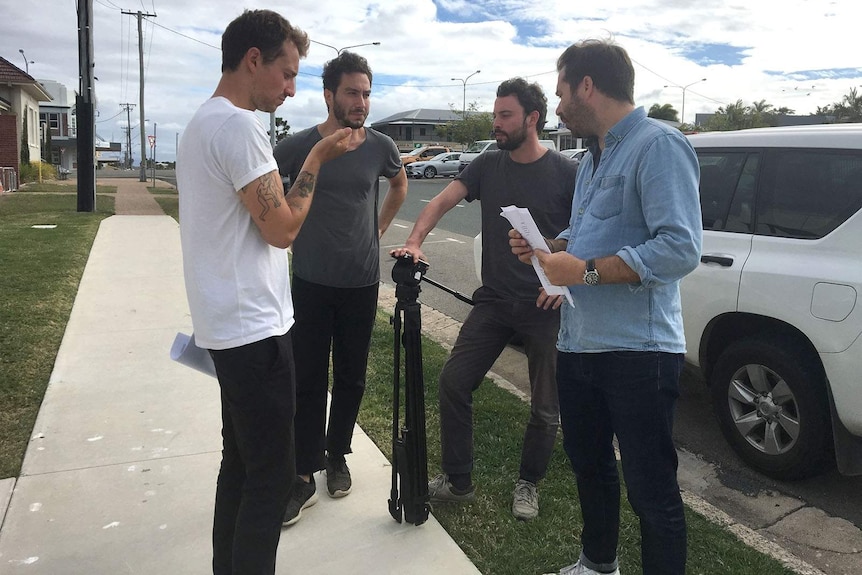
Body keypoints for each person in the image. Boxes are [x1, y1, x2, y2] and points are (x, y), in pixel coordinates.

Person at [511, 39, 702, 575]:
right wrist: (549, 249)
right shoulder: (591, 157)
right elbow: (586, 234)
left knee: (651, 490)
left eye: (561, 86)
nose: (556, 96)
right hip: (579, 343)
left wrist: (587, 269)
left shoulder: (658, 144)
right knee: (590, 468)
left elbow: (680, 247)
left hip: (638, 352)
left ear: (587, 86)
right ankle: (597, 565)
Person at [176, 10, 350, 575]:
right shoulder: (239, 127)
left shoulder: (202, 122)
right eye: (287, 73)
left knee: (241, 466)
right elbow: (282, 230)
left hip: (225, 326)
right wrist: (317, 158)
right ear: (254, 59)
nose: (292, 89)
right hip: (255, 331)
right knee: (271, 478)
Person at [391, 78, 577, 521]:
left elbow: (587, 232)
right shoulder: (488, 164)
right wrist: (415, 240)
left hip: (544, 306)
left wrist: (561, 283)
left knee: (546, 406)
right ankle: (458, 481)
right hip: (494, 301)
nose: (496, 123)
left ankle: (528, 483)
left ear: (532, 119)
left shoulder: (567, 172)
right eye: (494, 115)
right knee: (454, 382)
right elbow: (441, 200)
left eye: (504, 115)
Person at [272, 51, 408, 525]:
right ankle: (303, 475)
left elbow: (398, 184)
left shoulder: (380, 146)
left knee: (350, 375)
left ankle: (337, 456)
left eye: (367, 93)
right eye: (352, 92)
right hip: (309, 280)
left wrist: (377, 231)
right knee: (307, 378)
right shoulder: (297, 147)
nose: (362, 102)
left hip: (361, 281)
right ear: (328, 94)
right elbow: (269, 195)